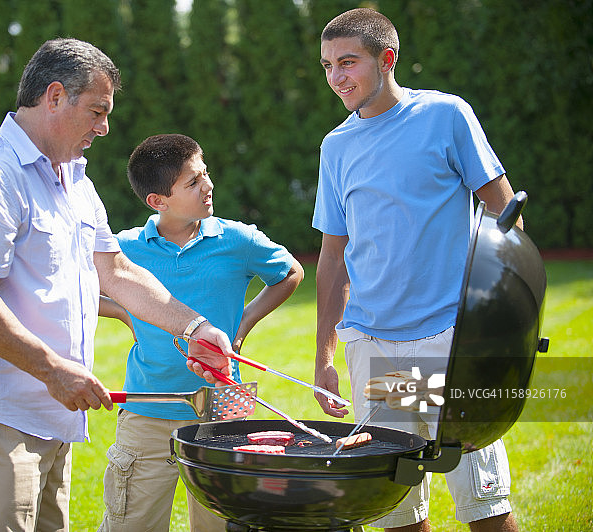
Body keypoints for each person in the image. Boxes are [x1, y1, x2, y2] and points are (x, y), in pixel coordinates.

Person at [0, 38, 235, 532]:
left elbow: (117, 272)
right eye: (97, 111)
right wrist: (52, 370)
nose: (104, 128)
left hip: (53, 414)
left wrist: (195, 327)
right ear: (54, 97)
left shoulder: (75, 181)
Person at [312, 8, 521, 532]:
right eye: (328, 65)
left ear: (387, 59)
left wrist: (504, 319)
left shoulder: (445, 116)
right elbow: (333, 258)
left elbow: (505, 214)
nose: (336, 77)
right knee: (396, 510)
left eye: (348, 62)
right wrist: (324, 355)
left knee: (484, 504)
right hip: (376, 346)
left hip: (448, 340)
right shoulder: (336, 147)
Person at [96, 133, 304, 531]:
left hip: (223, 409)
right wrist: (126, 313)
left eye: (204, 173)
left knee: (221, 524)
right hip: (147, 410)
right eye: (193, 182)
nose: (208, 185)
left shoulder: (237, 240)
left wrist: (241, 327)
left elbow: (290, 272)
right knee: (131, 523)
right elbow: (82, 290)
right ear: (157, 200)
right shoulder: (124, 249)